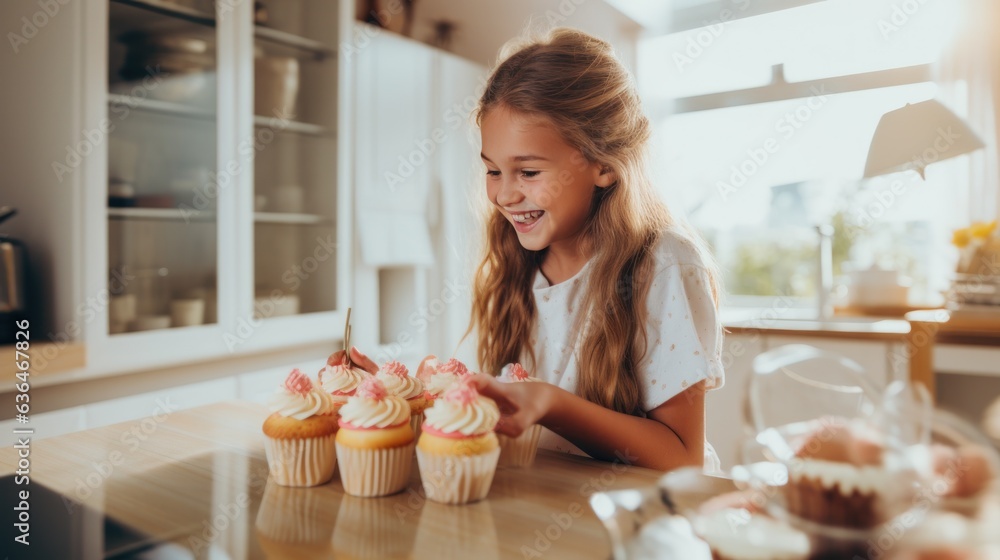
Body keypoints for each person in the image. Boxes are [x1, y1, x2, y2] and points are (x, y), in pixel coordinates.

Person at [461, 28, 726, 472]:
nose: (504, 195)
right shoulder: (516, 261)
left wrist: (552, 403)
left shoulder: (662, 265)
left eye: (527, 172)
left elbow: (683, 459)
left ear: (603, 164)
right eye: (492, 171)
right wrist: (408, 398)